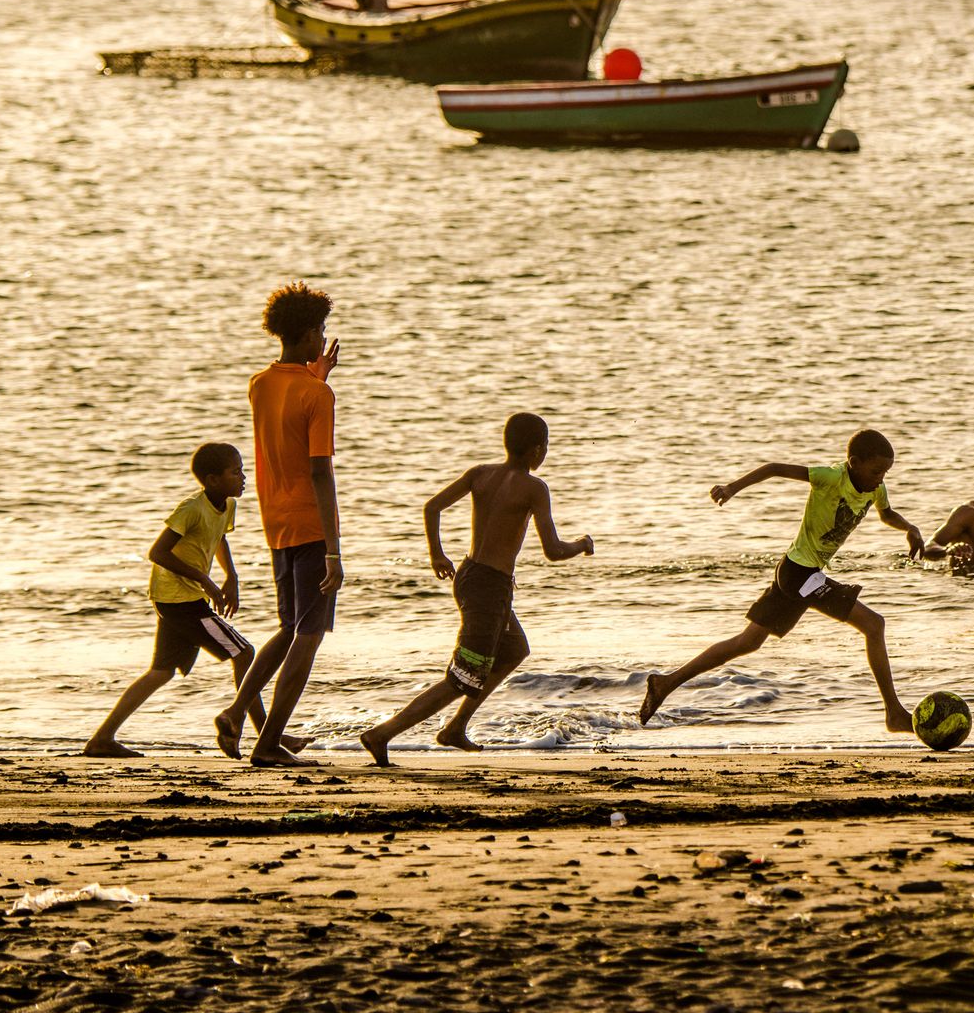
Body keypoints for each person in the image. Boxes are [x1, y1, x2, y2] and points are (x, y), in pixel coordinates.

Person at [639, 429, 924, 735]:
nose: (881, 479)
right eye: (876, 471)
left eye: (885, 472)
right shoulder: (829, 478)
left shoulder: (875, 488)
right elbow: (775, 468)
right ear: (854, 463)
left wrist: (910, 528)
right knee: (874, 625)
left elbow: (887, 514)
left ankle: (666, 683)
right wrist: (732, 488)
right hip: (798, 574)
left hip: (797, 572)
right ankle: (894, 713)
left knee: (747, 642)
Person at [360, 412, 593, 765]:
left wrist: (437, 554)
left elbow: (432, 507)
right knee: (461, 677)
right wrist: (582, 544)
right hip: (490, 589)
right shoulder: (534, 488)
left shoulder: (481, 473)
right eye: (545, 447)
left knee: (514, 649)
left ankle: (456, 727)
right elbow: (553, 551)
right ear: (537, 450)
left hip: (469, 576)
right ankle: (383, 733)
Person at [215, 282, 342, 767]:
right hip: (311, 525)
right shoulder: (317, 394)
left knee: (289, 627)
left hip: (276, 523)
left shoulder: (260, 384)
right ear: (309, 334)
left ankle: (235, 714)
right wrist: (334, 550)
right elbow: (320, 471)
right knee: (308, 636)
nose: (323, 338)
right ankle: (268, 744)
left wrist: (316, 375)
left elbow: (291, 403)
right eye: (321, 331)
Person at [84, 444, 260, 758]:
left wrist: (231, 576)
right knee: (244, 653)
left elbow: (219, 537)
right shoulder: (191, 509)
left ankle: (102, 738)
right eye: (236, 472)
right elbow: (157, 552)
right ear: (213, 480)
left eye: (242, 470)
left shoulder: (227, 505)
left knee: (161, 671)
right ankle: (265, 736)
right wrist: (205, 580)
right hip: (181, 600)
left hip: (176, 599)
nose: (244, 477)